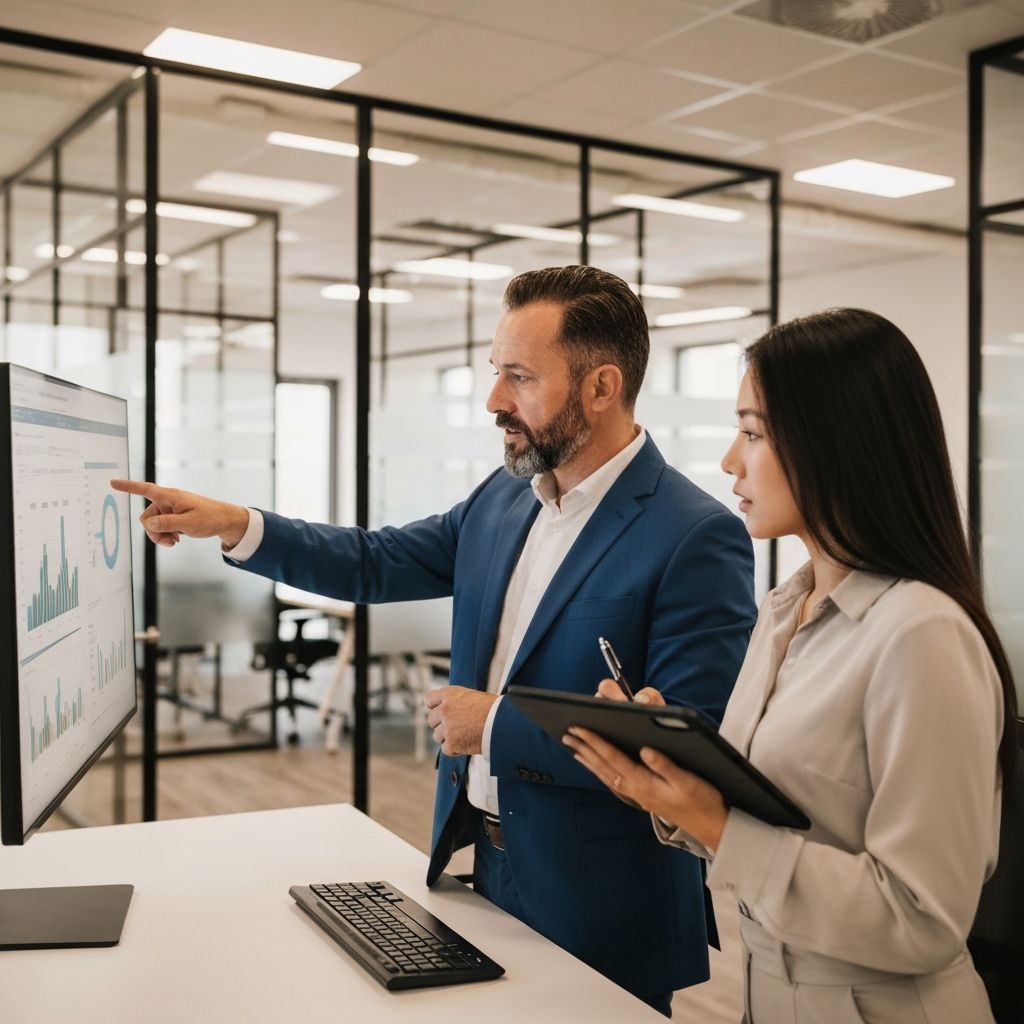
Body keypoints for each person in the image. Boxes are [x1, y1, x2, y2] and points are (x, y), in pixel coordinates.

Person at [113, 265, 756, 1014]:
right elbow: (375, 558)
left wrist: (493, 726)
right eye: (495, 373)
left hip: (601, 905)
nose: (494, 402)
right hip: (477, 867)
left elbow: (685, 744)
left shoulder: (693, 534)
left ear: (601, 388)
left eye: (518, 377)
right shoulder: (504, 496)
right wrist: (235, 524)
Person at [564, 307, 1017, 1023]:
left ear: (837, 445)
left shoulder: (922, 634)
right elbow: (776, 816)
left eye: (752, 433)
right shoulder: (786, 609)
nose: (728, 463)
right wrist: (670, 784)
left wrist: (717, 827)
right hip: (768, 993)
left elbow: (924, 920)